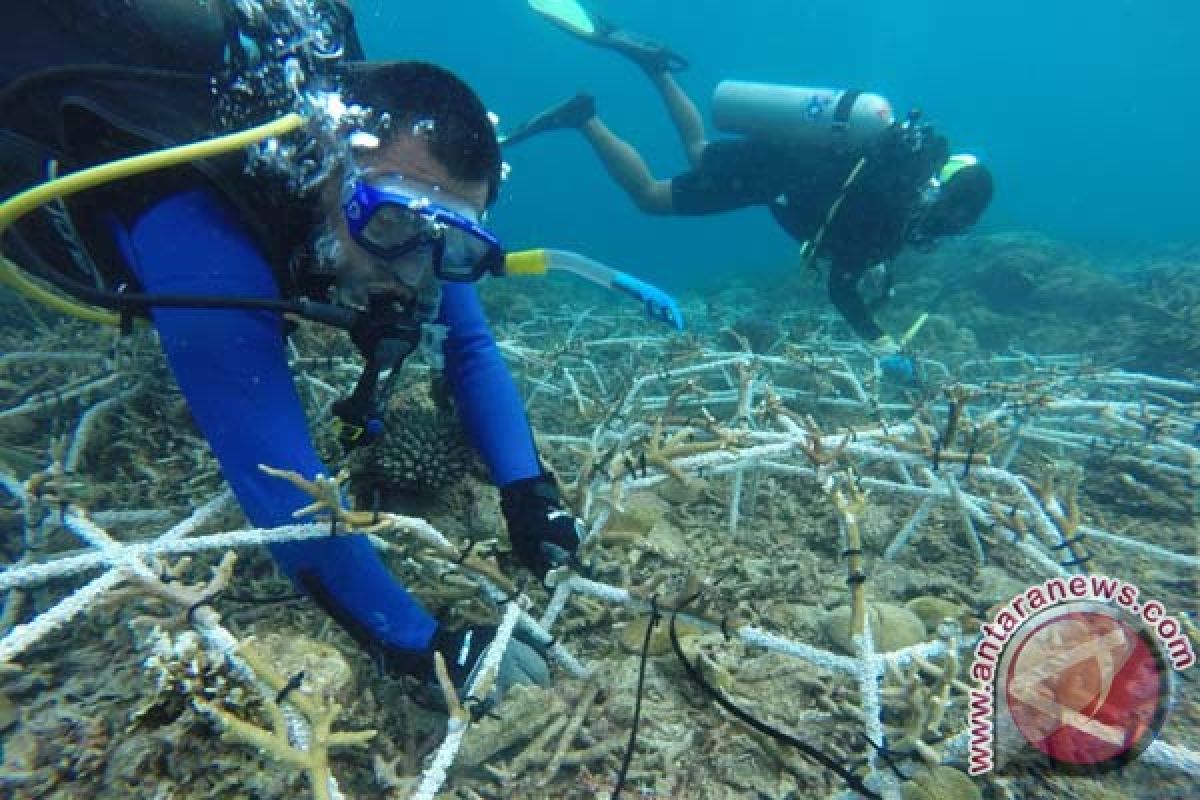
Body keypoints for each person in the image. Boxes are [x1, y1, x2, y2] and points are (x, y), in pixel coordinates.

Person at [0, 2, 582, 698]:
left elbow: (472, 348)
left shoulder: (404, 225)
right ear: (327, 164)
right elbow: (280, 484)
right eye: (394, 221)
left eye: (453, 243)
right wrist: (418, 644)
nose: (413, 270)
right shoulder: (199, 227)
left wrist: (528, 491)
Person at [505, 2, 994, 376]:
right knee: (656, 193)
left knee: (699, 150)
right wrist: (881, 345)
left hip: (784, 160)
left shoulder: (897, 173)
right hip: (770, 173)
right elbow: (841, 287)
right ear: (950, 215)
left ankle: (645, 71)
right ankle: (586, 115)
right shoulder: (892, 217)